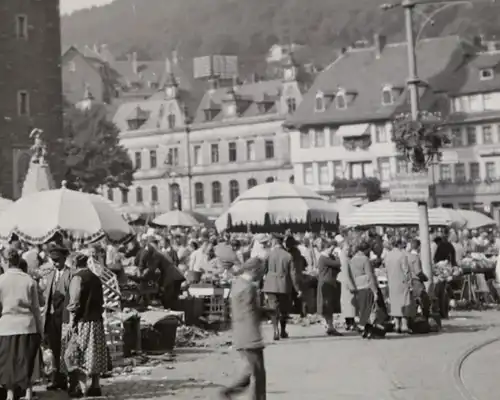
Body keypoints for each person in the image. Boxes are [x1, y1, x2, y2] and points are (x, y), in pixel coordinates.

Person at [219, 255, 266, 400]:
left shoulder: (238, 284)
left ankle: (230, 391)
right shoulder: (248, 288)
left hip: (241, 334)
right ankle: (229, 392)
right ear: (255, 270)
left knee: (251, 371)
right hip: (249, 336)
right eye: (261, 271)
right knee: (257, 374)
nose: (262, 274)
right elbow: (249, 313)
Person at [0, 249, 43, 400]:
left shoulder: (1, 280)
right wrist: (40, 329)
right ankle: (28, 393)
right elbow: (36, 309)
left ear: (5, 261)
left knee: (8, 362)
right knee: (27, 360)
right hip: (27, 324)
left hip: (6, 326)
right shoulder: (29, 280)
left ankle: (10, 394)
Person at [65, 252, 107, 397]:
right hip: (96, 320)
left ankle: (81, 388)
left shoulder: (77, 278)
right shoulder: (96, 278)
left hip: (84, 321)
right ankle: (95, 385)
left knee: (78, 354)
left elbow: (74, 302)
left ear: (75, 264)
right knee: (95, 353)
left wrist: (71, 322)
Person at [40, 243, 73, 391]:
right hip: (51, 317)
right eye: (53, 259)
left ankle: (65, 378)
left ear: (64, 258)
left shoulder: (70, 274)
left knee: (65, 349)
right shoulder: (50, 274)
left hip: (64, 316)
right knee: (53, 349)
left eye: (58, 259)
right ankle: (56, 378)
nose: (55, 262)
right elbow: (46, 295)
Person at [262, 234, 300, 341]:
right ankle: (283, 330)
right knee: (284, 309)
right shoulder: (288, 256)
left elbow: (263, 270)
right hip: (284, 285)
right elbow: (293, 274)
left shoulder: (268, 254)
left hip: (270, 285)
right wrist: (297, 289)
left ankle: (275, 330)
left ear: (274, 242)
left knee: (273, 308)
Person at [348, 240, 380, 338]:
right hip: (366, 285)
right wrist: (375, 291)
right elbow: (370, 275)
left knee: (362, 309)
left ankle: (364, 329)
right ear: (366, 250)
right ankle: (367, 329)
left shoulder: (352, 259)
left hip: (357, 286)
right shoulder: (365, 259)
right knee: (369, 309)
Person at [385, 237, 415, 333]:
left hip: (392, 282)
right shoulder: (402, 255)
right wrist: (410, 282)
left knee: (395, 303)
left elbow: (386, 270)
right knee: (404, 302)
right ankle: (404, 325)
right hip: (402, 281)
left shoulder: (388, 255)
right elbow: (406, 270)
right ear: (399, 244)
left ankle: (397, 325)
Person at [316, 240, 342, 336]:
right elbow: (338, 264)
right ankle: (329, 326)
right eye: (332, 248)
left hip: (330, 284)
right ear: (328, 247)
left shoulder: (328, 257)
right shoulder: (323, 258)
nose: (333, 251)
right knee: (327, 306)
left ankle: (330, 326)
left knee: (329, 306)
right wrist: (338, 256)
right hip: (326, 284)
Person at [407, 239, 430, 320]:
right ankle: (424, 318)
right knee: (425, 301)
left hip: (409, 281)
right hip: (417, 282)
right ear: (419, 247)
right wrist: (425, 278)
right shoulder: (416, 258)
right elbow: (418, 272)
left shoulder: (407, 256)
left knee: (413, 301)